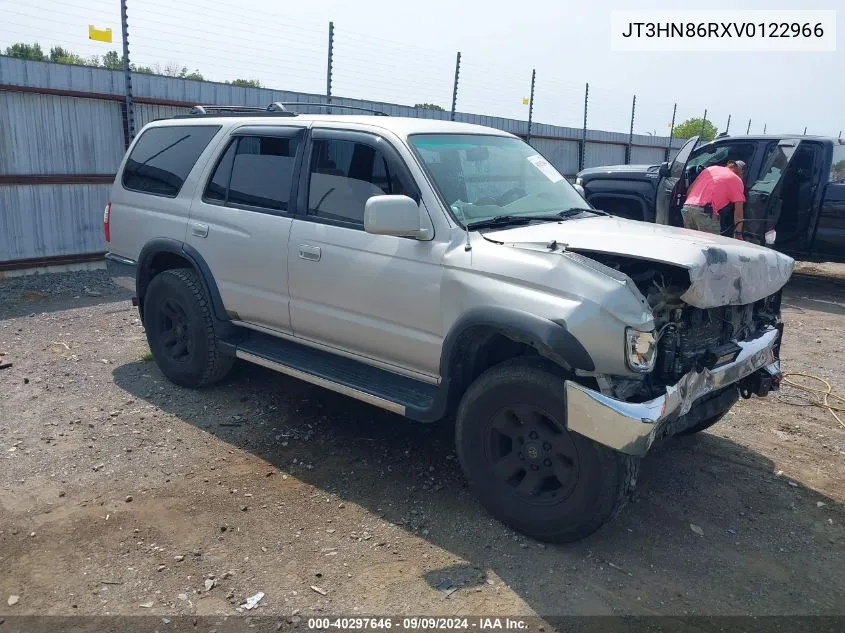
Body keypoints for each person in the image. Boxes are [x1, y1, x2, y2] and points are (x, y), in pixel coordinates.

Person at [680, 160, 746, 239]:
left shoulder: (711, 169)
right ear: (741, 172)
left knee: (692, 242)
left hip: (687, 208)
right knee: (711, 245)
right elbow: (738, 212)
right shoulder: (737, 180)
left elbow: (690, 190)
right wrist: (738, 233)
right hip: (705, 213)